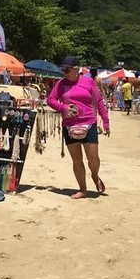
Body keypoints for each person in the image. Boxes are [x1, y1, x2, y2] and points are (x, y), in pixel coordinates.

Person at [47, 56, 110, 199]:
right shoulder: (61, 84)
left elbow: (99, 101)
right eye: (63, 69)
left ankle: (95, 175)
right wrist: (63, 107)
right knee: (77, 160)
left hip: (89, 122)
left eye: (67, 70)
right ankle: (83, 189)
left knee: (93, 158)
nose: (64, 72)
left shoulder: (88, 82)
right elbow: (50, 100)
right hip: (70, 125)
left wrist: (105, 122)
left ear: (76, 69)